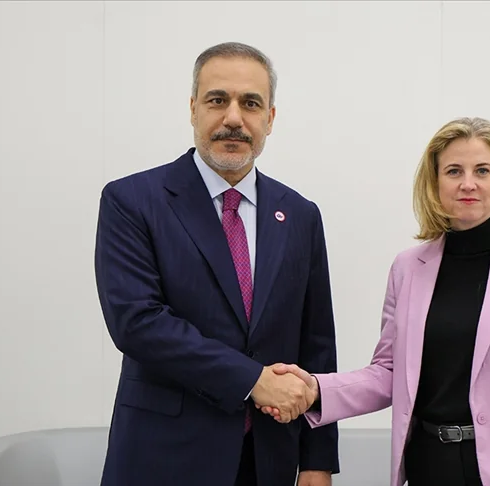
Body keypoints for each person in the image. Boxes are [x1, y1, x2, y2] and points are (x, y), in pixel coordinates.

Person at [261, 117, 490, 485]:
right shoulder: (408, 268)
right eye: (454, 171)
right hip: (429, 465)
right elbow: (389, 373)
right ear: (435, 183)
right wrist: (316, 390)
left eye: (482, 170)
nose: (468, 183)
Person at [94, 42, 339, 486]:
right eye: (217, 100)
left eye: (251, 104)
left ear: (270, 118)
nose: (233, 118)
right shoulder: (132, 201)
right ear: (193, 109)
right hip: (162, 459)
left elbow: (316, 343)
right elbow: (137, 322)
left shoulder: (300, 215)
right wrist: (253, 380)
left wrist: (317, 461)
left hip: (268, 460)